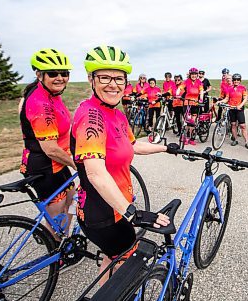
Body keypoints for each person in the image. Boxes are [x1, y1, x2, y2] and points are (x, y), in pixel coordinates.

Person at [71, 45, 172, 286]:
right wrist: (132, 213)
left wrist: (167, 148)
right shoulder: (91, 117)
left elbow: (133, 146)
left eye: (119, 78)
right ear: (91, 79)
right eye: (105, 77)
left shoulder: (115, 113)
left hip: (114, 206)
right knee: (128, 262)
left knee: (113, 256)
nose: (113, 84)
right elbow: (95, 173)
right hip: (105, 213)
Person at [20, 49, 76, 241]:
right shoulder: (41, 103)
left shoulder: (51, 94)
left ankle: (62, 238)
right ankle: (54, 246)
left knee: (71, 195)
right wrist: (77, 163)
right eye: (53, 73)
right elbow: (50, 148)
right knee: (57, 212)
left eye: (64, 73)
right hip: (46, 164)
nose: (60, 78)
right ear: (39, 75)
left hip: (57, 161)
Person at [217, 73, 248, 149]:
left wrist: (240, 105)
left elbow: (246, 98)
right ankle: (235, 140)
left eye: (238, 80)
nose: (236, 81)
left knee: (243, 126)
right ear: (233, 80)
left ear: (240, 80)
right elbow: (227, 98)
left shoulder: (243, 88)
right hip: (231, 108)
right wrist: (220, 102)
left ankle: (247, 142)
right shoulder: (230, 89)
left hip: (239, 109)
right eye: (234, 80)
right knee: (233, 124)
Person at [178, 67, 204, 145]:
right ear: (190, 75)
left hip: (195, 103)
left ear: (197, 75)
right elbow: (180, 88)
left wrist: (201, 99)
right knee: (187, 121)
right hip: (187, 103)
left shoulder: (199, 82)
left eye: (195, 74)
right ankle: (186, 137)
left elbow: (201, 91)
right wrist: (177, 93)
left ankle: (192, 138)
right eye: (192, 74)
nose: (194, 76)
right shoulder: (186, 82)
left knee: (192, 121)